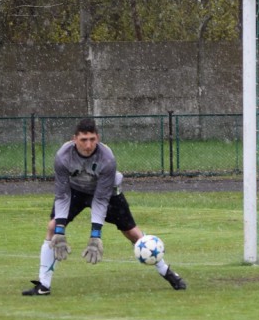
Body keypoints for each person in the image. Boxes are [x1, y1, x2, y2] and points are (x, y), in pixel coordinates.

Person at [22, 117, 186, 296]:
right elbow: (62, 195)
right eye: (84, 140)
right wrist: (60, 231)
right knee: (52, 227)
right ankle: (43, 286)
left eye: (92, 139)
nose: (88, 144)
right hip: (75, 192)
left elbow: (100, 200)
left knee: (132, 233)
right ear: (74, 139)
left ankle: (166, 271)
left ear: (97, 138)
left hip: (107, 193)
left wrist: (95, 236)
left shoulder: (107, 159)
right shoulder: (63, 156)